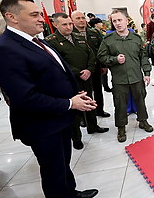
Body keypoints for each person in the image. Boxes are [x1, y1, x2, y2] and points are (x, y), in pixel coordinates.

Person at [0, 0, 98, 198]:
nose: (41, 19)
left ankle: (70, 193)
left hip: (60, 116)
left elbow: (53, 75)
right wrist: (71, 103)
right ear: (11, 17)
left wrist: (73, 96)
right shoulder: (5, 49)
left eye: (40, 14)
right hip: (41, 124)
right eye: (34, 14)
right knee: (52, 170)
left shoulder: (35, 40)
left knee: (63, 162)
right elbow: (25, 97)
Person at [46, 12, 109, 149]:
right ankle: (76, 138)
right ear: (55, 24)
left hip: (87, 76)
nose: (69, 27)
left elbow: (91, 54)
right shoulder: (51, 41)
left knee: (89, 101)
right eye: (65, 24)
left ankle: (93, 126)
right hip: (69, 80)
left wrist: (89, 69)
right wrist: (78, 72)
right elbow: (58, 62)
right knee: (74, 108)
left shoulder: (79, 37)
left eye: (70, 23)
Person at [98, 9, 153, 142]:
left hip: (136, 77)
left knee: (140, 100)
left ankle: (143, 121)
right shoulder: (108, 40)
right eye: (114, 21)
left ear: (126, 21)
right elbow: (101, 56)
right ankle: (121, 127)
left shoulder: (136, 38)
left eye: (120, 20)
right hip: (119, 79)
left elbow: (143, 57)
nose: (117, 23)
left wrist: (146, 73)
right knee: (120, 104)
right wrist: (115, 59)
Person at [71, 11, 111, 118]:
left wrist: (103, 66)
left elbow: (101, 50)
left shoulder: (93, 33)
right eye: (78, 18)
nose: (81, 20)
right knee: (83, 94)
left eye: (83, 18)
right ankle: (84, 117)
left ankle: (99, 110)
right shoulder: (70, 35)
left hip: (95, 67)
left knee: (98, 90)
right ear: (72, 21)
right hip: (81, 71)